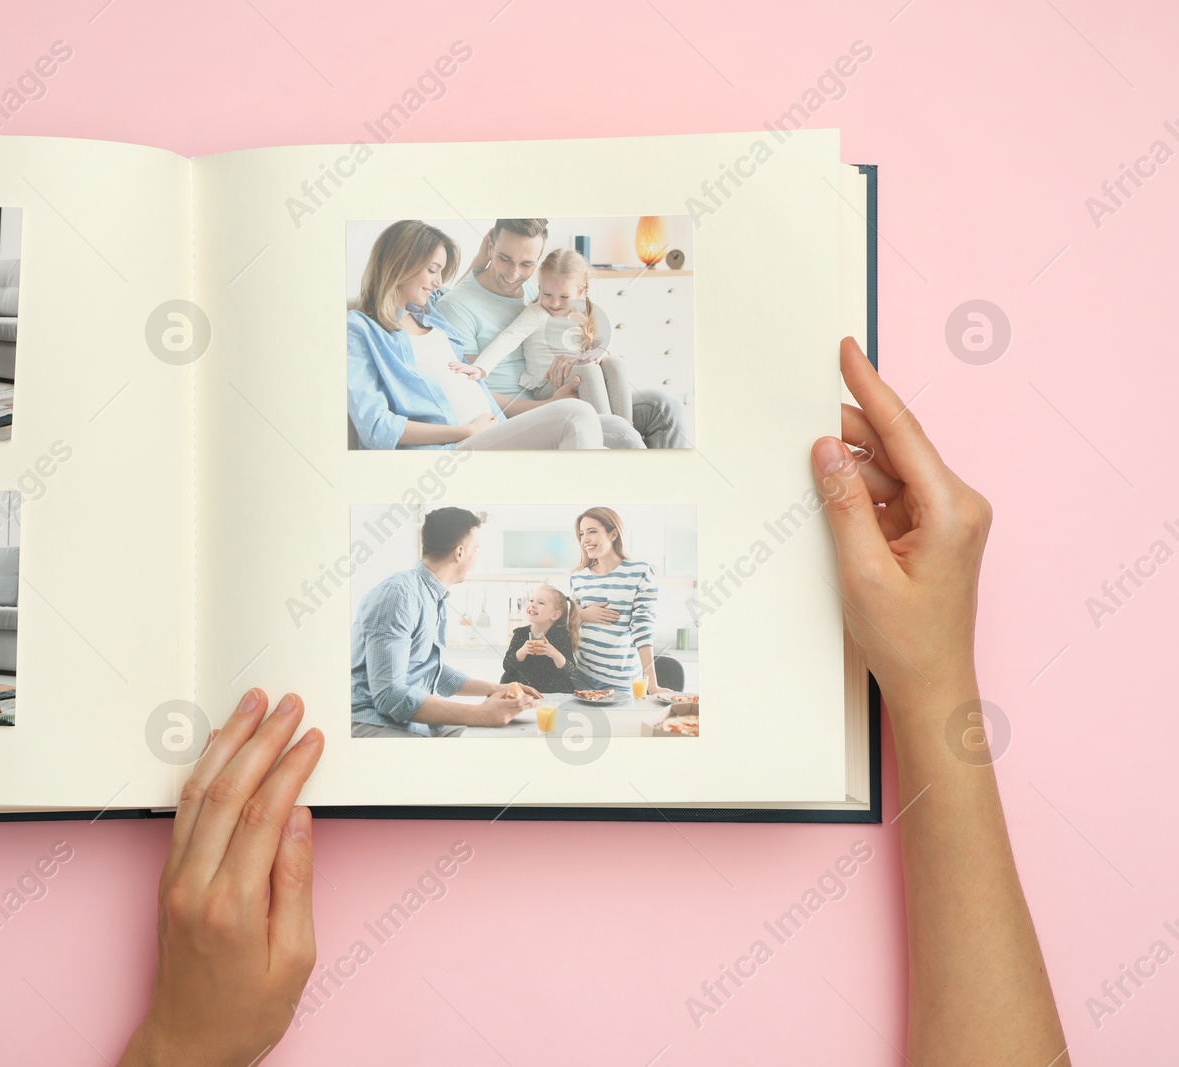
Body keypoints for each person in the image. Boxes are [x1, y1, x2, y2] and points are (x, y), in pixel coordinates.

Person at [116, 338, 1070, 1067]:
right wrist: (513, 676)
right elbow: (413, 690)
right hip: (496, 699)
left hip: (604, 677)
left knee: (609, 435)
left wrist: (178, 1049)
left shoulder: (501, 589)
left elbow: (455, 670)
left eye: (593, 531)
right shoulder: (495, 590)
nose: (568, 553)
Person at [347, 221, 644, 450]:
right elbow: (376, 428)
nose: (438, 281)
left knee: (635, 426)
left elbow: (457, 292)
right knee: (578, 415)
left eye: (527, 263)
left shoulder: (428, 313)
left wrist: (481, 260)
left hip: (495, 428)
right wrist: (464, 432)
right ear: (401, 265)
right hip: (457, 445)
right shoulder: (361, 330)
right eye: (433, 270)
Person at [437, 218, 688, 448]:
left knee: (665, 407)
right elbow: (473, 389)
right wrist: (549, 403)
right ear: (489, 245)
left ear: (539, 260)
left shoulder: (542, 288)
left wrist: (598, 353)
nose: (514, 274)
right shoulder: (458, 307)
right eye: (504, 258)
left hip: (571, 387)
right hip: (524, 411)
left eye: (526, 263)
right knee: (621, 432)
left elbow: (580, 330)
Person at [350, 506, 539, 736]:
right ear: (460, 553)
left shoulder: (431, 596)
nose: (475, 559)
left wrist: (496, 688)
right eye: (475, 550)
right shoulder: (399, 595)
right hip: (375, 723)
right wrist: (482, 714)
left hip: (409, 720)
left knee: (499, 736)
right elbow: (389, 695)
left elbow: (430, 669)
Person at [459, 249, 632, 419]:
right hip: (547, 385)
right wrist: (480, 368)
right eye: (547, 294)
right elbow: (507, 339)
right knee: (589, 371)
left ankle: (626, 432)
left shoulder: (585, 312)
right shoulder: (536, 314)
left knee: (616, 363)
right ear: (540, 287)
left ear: (580, 291)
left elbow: (603, 341)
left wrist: (602, 353)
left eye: (564, 297)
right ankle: (607, 437)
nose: (555, 303)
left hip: (581, 376)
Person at [567, 506, 665, 694]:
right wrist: (582, 615)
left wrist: (651, 683)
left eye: (592, 531)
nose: (585, 539)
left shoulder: (641, 572)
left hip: (622, 680)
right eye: (581, 533)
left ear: (613, 534)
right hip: (580, 675)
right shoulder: (577, 577)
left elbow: (643, 626)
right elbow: (568, 627)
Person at [501, 583, 579, 694]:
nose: (533, 605)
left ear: (555, 615)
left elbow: (571, 671)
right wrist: (522, 652)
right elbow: (507, 666)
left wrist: (554, 653)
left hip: (554, 694)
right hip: (524, 693)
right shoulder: (520, 634)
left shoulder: (561, 635)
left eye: (541, 603)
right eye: (531, 600)